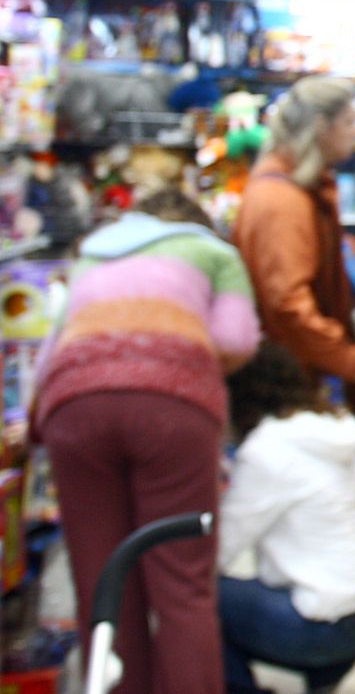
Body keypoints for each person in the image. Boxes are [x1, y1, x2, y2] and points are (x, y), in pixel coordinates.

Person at [31, 188, 260, 694]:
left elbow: (47, 359)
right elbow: (237, 339)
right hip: (173, 410)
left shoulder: (93, 254)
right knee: (182, 588)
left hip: (74, 409)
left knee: (103, 585)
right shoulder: (214, 253)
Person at [218, 342, 355, 694]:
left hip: (317, 625)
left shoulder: (267, 450)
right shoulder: (332, 428)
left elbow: (219, 550)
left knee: (195, 594)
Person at [233, 76, 355, 395]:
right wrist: (352, 361)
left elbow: (328, 250)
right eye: (349, 121)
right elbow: (287, 305)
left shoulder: (303, 188)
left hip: (297, 374)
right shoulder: (281, 201)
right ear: (321, 126)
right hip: (286, 386)